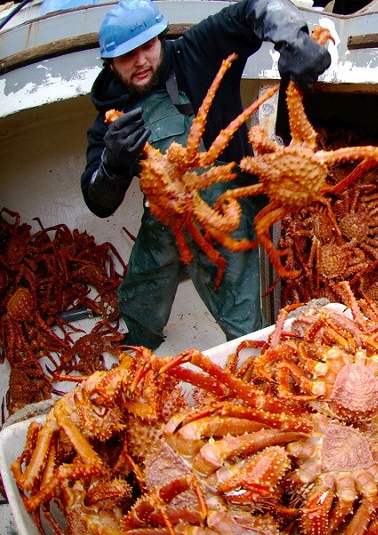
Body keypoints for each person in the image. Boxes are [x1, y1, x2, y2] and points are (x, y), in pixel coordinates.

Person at [80, 0, 331, 349]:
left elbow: (256, 7)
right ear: (109, 63)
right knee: (140, 290)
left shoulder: (198, 50)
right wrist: (113, 162)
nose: (141, 61)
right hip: (165, 213)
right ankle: (139, 338)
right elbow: (98, 200)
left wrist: (293, 38)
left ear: (161, 39)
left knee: (244, 316)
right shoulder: (109, 119)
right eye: (126, 56)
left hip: (225, 204)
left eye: (148, 47)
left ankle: (250, 350)